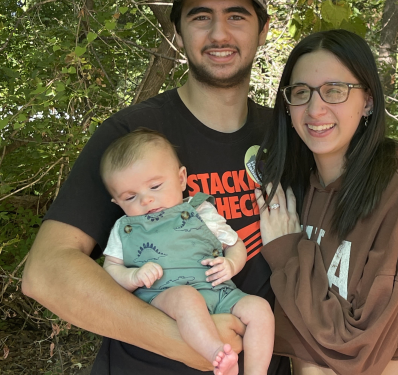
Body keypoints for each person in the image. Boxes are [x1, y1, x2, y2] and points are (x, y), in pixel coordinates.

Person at [22, 0, 291, 375]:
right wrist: (184, 343)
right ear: (179, 33)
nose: (219, 33)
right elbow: (46, 271)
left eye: (237, 16)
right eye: (201, 16)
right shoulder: (130, 135)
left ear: (263, 30)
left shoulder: (289, 136)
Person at [254, 29, 398, 375]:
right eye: (301, 92)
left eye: (335, 90)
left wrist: (288, 254)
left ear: (368, 101)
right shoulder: (296, 187)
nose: (315, 108)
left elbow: (362, 349)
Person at [101, 129, 274, 375]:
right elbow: (111, 267)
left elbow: (235, 244)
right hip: (164, 296)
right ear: (117, 203)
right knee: (186, 298)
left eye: (155, 186)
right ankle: (217, 353)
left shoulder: (199, 210)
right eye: (130, 197)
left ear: (181, 178)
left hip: (218, 291)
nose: (146, 200)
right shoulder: (124, 228)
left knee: (259, 309)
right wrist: (132, 277)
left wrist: (231, 265)